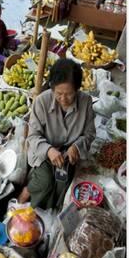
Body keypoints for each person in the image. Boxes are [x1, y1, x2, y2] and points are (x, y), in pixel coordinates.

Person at [19, 58, 96, 210]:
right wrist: (49, 150)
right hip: (44, 151)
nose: (63, 99)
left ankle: (51, 211)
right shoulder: (42, 101)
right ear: (52, 88)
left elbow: (90, 133)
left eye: (69, 94)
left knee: (63, 183)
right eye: (59, 93)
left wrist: (76, 146)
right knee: (45, 182)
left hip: (68, 153)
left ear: (77, 89)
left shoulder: (86, 102)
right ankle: (27, 194)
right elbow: (33, 136)